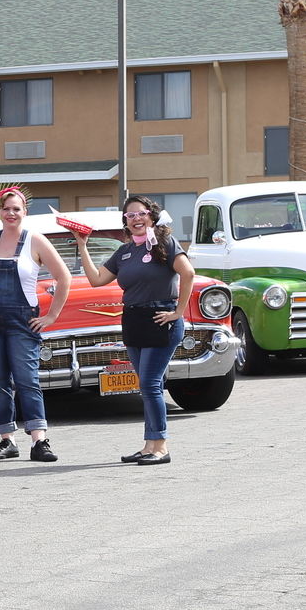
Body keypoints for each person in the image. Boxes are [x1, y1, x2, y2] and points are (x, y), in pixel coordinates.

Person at [72, 194, 194, 466]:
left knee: (150, 384)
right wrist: (83, 245)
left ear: (152, 216)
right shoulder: (125, 251)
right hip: (133, 320)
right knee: (146, 385)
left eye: (141, 213)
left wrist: (178, 312)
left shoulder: (164, 243)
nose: (136, 219)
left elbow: (188, 273)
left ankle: (160, 446)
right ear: (125, 222)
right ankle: (149, 444)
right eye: (130, 215)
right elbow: (96, 280)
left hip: (161, 319)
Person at [0, 187, 71, 462]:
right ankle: (6, 440)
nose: (11, 213)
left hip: (21, 321)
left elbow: (64, 277)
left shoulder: (36, 241)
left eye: (16, 209)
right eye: (6, 209)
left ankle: (40, 440)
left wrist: (51, 316)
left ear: (25, 212)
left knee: (27, 379)